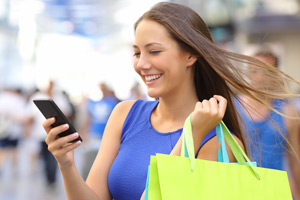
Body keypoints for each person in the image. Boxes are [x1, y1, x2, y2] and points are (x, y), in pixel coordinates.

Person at [41, 2, 300, 200]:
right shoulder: (125, 114)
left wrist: (192, 134)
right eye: (136, 52)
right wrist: (67, 164)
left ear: (189, 55)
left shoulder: (216, 141)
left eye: (154, 51)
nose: (141, 64)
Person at [234, 47, 300, 199]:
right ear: (247, 73)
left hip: (278, 190)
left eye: (267, 71)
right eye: (255, 71)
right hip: (242, 191)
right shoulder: (233, 109)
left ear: (276, 74)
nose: (260, 77)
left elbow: (295, 159)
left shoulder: (287, 112)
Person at [25, 79, 72, 187]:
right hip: (41, 135)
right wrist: (28, 129)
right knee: (45, 159)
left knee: (53, 159)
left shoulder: (59, 97)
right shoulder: (37, 96)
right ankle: (48, 179)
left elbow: (67, 113)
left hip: (57, 135)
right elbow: (30, 116)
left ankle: (52, 180)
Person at [80, 82, 120, 180]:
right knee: (88, 165)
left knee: (104, 168)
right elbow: (89, 119)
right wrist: (84, 135)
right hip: (93, 137)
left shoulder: (113, 103)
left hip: (107, 139)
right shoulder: (93, 103)